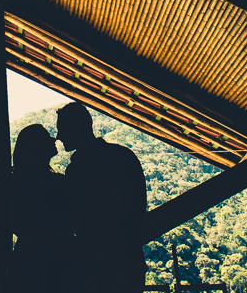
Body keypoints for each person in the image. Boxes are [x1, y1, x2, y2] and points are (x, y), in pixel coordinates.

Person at [56, 102, 146, 293]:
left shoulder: (74, 170)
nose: (58, 136)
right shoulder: (122, 157)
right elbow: (136, 208)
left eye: (61, 129)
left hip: (95, 266)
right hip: (125, 260)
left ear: (75, 128)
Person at [8, 124, 73, 293]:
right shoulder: (58, 183)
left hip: (28, 262)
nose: (53, 139)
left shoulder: (17, 183)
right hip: (57, 262)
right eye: (46, 137)